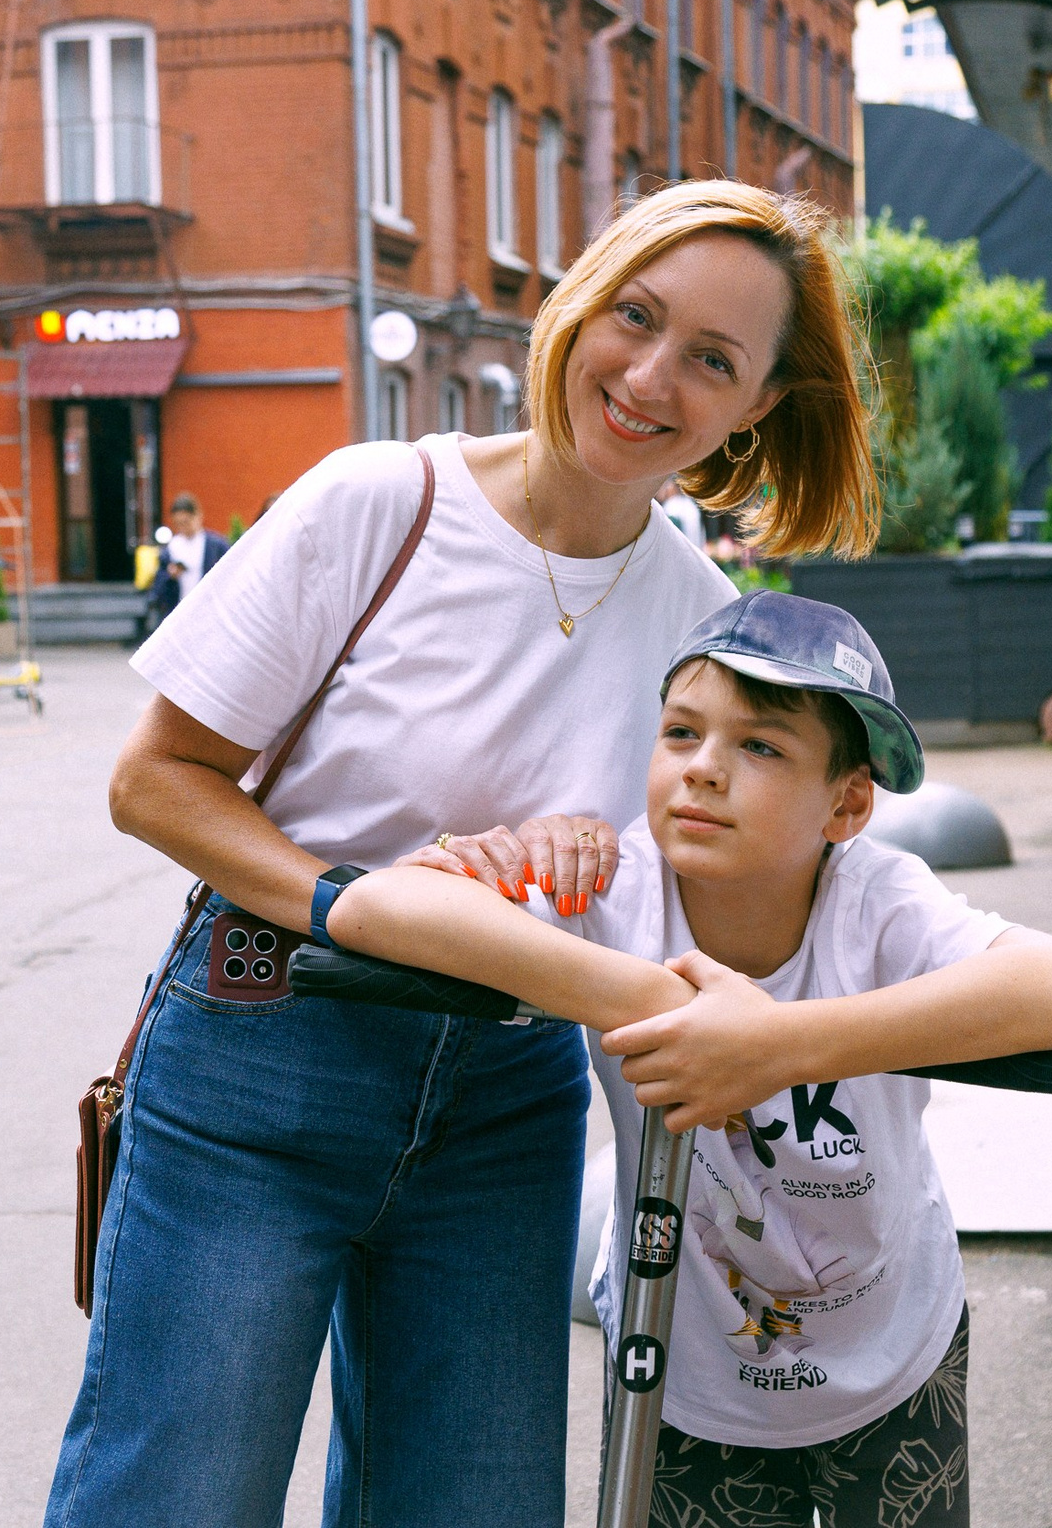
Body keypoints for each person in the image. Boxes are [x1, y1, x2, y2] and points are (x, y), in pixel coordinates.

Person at [46, 180, 884, 1528]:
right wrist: (352, 904)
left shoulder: (708, 625)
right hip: (267, 1045)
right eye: (637, 315)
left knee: (471, 1507)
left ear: (759, 405)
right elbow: (156, 781)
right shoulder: (384, 502)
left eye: (713, 360)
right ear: (583, 296)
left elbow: (715, 894)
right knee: (177, 1497)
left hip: (509, 1089)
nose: (649, 375)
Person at [324, 591, 1052, 1528]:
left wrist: (773, 1046)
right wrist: (620, 975)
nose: (704, 768)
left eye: (761, 746)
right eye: (680, 732)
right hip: (679, 1372)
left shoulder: (876, 903)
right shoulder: (614, 890)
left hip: (892, 1356)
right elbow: (371, 910)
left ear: (847, 803)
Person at [143, 492, 227, 624]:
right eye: (178, 524)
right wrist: (170, 576)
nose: (183, 528)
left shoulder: (216, 545)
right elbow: (158, 588)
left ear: (198, 516)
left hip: (209, 611)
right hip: (179, 611)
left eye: (186, 522)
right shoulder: (170, 549)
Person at [658, 477, 708, 546]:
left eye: (666, 486)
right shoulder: (690, 504)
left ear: (673, 487)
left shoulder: (671, 505)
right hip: (695, 550)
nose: (664, 490)